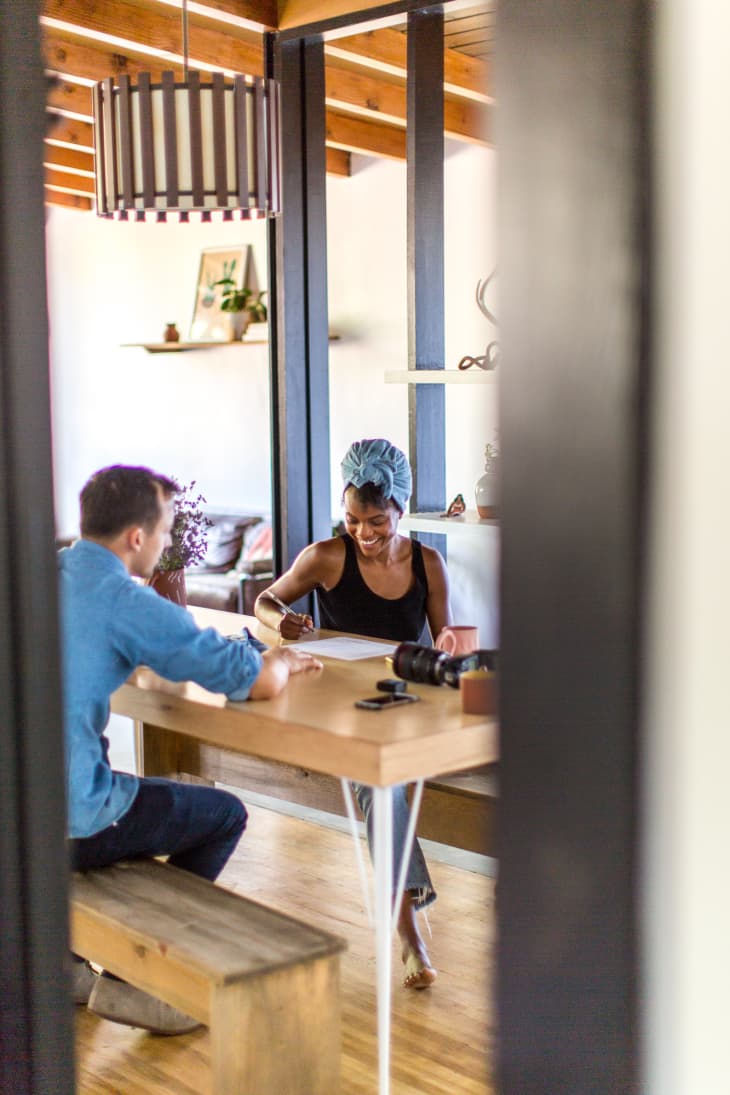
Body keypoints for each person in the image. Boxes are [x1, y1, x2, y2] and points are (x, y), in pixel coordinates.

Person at [60, 464, 321, 1034]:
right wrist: (278, 661)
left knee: (155, 797)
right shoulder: (122, 599)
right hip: (72, 819)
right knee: (223, 814)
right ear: (136, 537)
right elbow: (249, 680)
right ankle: (139, 984)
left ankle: (67, 966)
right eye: (165, 531)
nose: (167, 543)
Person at [255, 438, 452, 989]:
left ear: (400, 511)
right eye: (353, 520)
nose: (364, 533)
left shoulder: (428, 564)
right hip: (337, 708)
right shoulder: (325, 556)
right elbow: (266, 601)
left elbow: (449, 644)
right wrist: (280, 622)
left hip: (401, 703)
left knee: (386, 778)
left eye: (377, 522)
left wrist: (452, 654)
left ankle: (408, 924)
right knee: (378, 782)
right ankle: (409, 934)